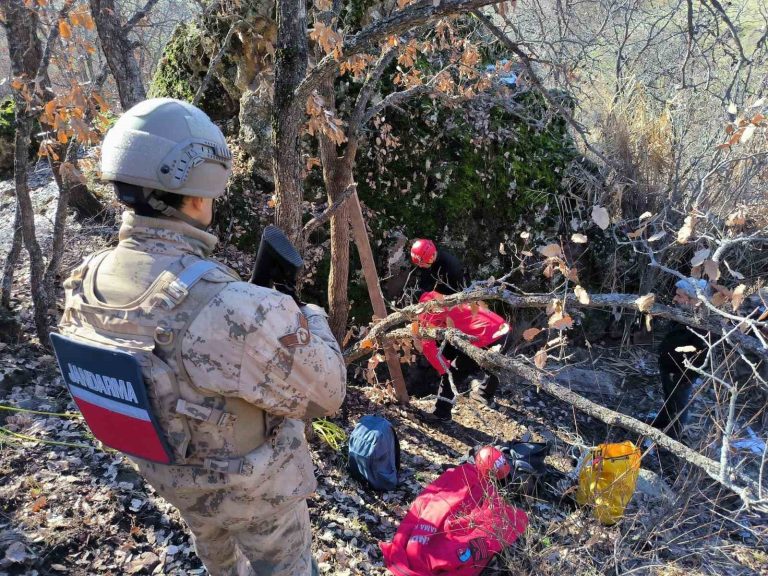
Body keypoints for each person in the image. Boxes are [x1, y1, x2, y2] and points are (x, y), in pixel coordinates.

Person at [56, 98, 346, 575]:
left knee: (215, 556)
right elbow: (327, 392)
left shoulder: (85, 281)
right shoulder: (231, 307)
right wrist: (304, 313)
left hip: (172, 480)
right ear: (197, 194)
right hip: (258, 494)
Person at [417, 291, 511, 422]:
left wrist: (443, 368)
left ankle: (441, 413)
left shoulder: (431, 313)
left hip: (486, 336)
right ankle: (484, 395)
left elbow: (427, 346)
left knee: (453, 372)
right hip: (502, 329)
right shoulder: (451, 300)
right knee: (492, 366)